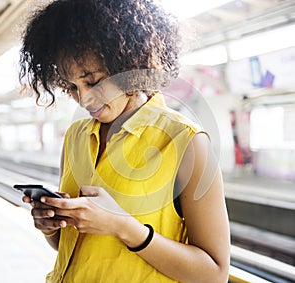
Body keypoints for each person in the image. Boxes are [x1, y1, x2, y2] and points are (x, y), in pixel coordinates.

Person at [19, 0, 230, 282]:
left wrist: (123, 226)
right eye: (71, 87)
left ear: (130, 65)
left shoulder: (187, 142)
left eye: (93, 81)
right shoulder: (76, 137)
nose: (83, 99)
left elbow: (214, 273)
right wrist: (50, 227)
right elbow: (72, 246)